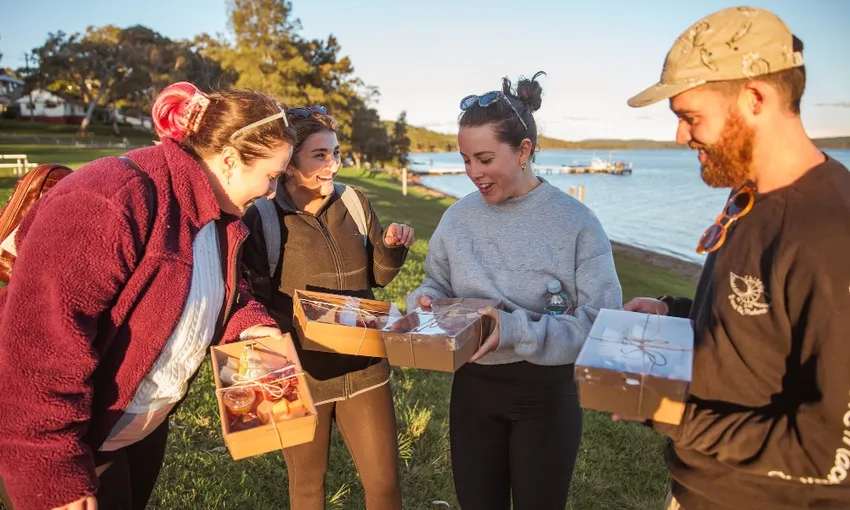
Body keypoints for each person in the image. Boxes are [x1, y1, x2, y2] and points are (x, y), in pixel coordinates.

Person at [0, 81, 296, 510]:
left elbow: (219, 290)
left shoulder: (219, 216)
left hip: (137, 428)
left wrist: (251, 323)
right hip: (74, 441)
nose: (271, 193)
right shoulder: (113, 194)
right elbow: (38, 343)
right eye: (271, 178)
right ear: (230, 159)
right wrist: (52, 472)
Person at [620, 6, 850, 510]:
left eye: (690, 117)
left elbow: (831, 452)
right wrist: (675, 314)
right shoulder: (748, 196)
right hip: (698, 488)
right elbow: (758, 327)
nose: (680, 137)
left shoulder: (832, 231)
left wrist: (670, 410)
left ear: (754, 98)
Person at [405, 72, 623, 510]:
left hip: (546, 395)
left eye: (484, 159)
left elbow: (602, 324)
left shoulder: (576, 222)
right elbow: (435, 284)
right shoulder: (457, 219)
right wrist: (423, 304)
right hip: (472, 391)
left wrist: (515, 329)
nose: (473, 174)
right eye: (466, 160)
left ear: (523, 151)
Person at [241, 105, 414, 510]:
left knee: (385, 488)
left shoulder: (353, 201)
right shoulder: (263, 218)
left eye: (335, 153)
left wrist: (392, 249)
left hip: (365, 369)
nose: (332, 165)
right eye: (319, 156)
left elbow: (381, 276)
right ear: (287, 163)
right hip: (301, 378)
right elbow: (251, 301)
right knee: (306, 489)